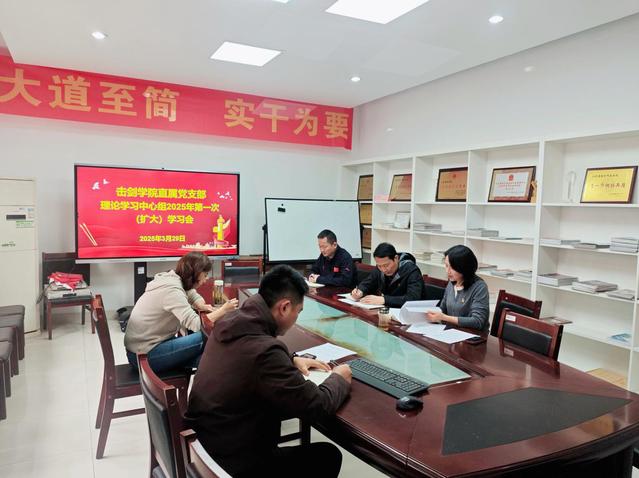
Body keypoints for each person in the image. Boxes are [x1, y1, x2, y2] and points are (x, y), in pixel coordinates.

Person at [186, 265, 352, 478]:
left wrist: (290, 360)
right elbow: (317, 406)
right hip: (233, 464)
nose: (297, 318)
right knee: (327, 456)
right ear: (284, 307)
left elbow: (249, 359)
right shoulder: (266, 352)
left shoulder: (229, 322)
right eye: (298, 312)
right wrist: (339, 377)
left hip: (205, 450)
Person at [124, 251, 237, 372]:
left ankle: (224, 370)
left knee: (211, 359)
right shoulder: (172, 291)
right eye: (205, 275)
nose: (206, 279)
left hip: (149, 346)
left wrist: (201, 304)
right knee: (209, 335)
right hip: (144, 356)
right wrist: (223, 310)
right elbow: (196, 324)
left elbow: (190, 292)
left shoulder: (172, 278)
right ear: (196, 273)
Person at [425, 245, 490, 331]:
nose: (448, 271)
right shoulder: (452, 282)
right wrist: (433, 315)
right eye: (446, 266)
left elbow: (478, 321)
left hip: (473, 335)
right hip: (452, 331)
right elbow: (443, 309)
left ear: (463, 267)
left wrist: (444, 317)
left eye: (452, 267)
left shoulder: (479, 287)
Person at [351, 242, 425, 307]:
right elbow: (368, 282)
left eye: (386, 265)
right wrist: (360, 291)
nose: (383, 269)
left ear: (396, 258)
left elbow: (412, 299)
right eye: (379, 266)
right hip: (388, 309)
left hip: (408, 313)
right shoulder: (380, 267)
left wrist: (384, 300)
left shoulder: (411, 270)